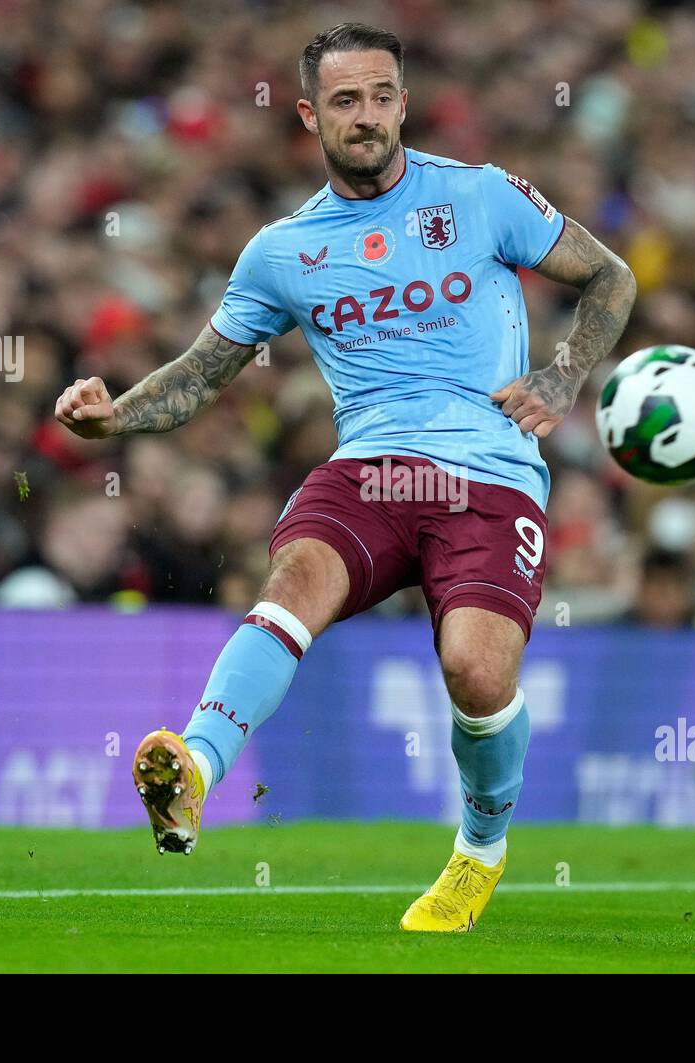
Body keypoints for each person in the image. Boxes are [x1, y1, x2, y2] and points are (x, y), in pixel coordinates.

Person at [54, 22, 636, 931]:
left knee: (476, 673)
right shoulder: (283, 252)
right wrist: (115, 415)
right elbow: (205, 372)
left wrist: (564, 374)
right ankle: (195, 768)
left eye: (379, 97)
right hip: (370, 468)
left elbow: (609, 276)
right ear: (308, 115)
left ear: (403, 102)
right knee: (293, 584)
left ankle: (479, 852)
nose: (365, 117)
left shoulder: (481, 198)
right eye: (343, 102)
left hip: (489, 475)